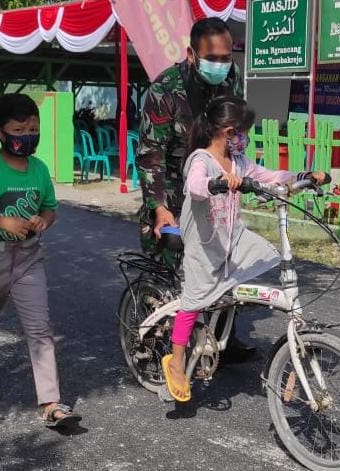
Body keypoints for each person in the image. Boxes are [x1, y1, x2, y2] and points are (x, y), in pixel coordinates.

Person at [160, 96, 326, 401]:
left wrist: (302, 177)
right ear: (224, 129)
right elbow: (194, 185)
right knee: (193, 301)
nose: (243, 137)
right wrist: (216, 183)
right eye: (239, 131)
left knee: (266, 255)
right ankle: (177, 362)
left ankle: (227, 308)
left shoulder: (239, 161)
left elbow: (269, 176)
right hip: (204, 244)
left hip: (231, 239)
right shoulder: (201, 159)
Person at [0, 94, 81, 429]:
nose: (27, 135)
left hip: (29, 258)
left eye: (33, 128)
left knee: (40, 329)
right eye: (19, 129)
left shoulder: (39, 169)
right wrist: (1, 222)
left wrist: (44, 220)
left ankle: (52, 403)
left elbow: (50, 207)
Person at [136, 17, 254, 362]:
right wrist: (160, 207)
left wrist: (241, 174)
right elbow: (150, 155)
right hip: (171, 184)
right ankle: (156, 338)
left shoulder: (231, 80)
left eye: (226, 56)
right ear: (192, 54)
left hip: (213, 184)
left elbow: (236, 134)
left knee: (223, 259)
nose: (221, 65)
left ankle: (220, 338)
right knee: (171, 262)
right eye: (212, 58)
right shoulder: (164, 90)